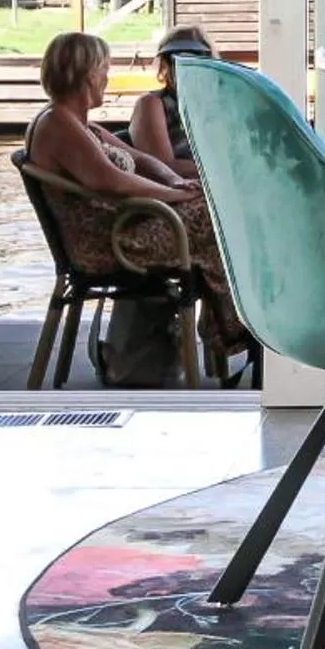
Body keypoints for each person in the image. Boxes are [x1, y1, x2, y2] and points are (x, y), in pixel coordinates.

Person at [27, 32, 249, 383]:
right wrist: (172, 196)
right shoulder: (58, 126)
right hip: (110, 243)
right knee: (217, 219)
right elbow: (111, 181)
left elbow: (140, 159)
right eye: (104, 69)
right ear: (87, 74)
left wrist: (174, 182)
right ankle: (232, 328)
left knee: (221, 210)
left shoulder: (78, 123)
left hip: (127, 225)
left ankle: (228, 325)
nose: (107, 77)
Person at [126, 23, 213, 178]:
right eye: (176, 59)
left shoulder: (217, 103)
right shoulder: (152, 104)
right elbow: (162, 167)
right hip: (181, 190)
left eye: (197, 57)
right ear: (165, 65)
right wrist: (220, 171)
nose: (185, 67)